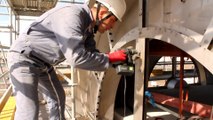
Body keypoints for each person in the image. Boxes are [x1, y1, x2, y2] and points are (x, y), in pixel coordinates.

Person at [7, 0, 127, 119]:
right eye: (113, 21)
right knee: (29, 110)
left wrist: (115, 62)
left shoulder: (88, 28)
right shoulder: (73, 15)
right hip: (24, 59)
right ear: (103, 13)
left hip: (44, 63)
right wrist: (110, 57)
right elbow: (76, 58)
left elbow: (92, 54)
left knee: (58, 98)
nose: (112, 26)